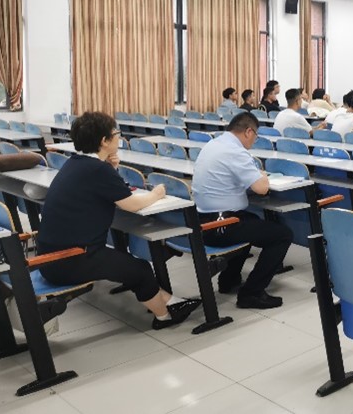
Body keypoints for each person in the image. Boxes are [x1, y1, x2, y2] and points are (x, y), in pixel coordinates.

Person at [37, 112, 201, 329]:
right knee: (140, 270)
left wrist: (111, 169)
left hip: (51, 255)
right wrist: (157, 194)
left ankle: (172, 301)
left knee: (129, 265)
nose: (119, 138)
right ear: (104, 141)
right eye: (116, 133)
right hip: (71, 259)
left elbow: (105, 190)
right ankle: (164, 317)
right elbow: (131, 204)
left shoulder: (75, 163)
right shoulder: (97, 169)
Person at [192, 113, 293, 309]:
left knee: (249, 219)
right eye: (256, 136)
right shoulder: (235, 152)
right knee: (282, 235)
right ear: (248, 132)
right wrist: (262, 175)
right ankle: (251, 294)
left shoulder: (214, 144)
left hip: (203, 221)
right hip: (220, 225)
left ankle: (228, 280)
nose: (254, 141)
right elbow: (261, 188)